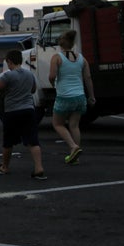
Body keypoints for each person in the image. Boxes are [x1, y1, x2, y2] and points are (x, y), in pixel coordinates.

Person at [0, 50, 46, 179]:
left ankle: (5, 167)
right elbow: (33, 89)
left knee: (8, 141)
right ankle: (39, 168)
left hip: (12, 111)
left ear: (9, 61)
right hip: (29, 110)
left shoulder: (8, 75)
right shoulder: (30, 74)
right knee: (33, 140)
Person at [48, 30, 96, 164]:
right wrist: (91, 96)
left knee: (57, 124)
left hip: (64, 96)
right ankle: (75, 157)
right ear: (72, 44)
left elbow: (52, 76)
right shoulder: (82, 58)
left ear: (61, 44)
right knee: (74, 126)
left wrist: (53, 84)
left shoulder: (57, 57)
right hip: (80, 96)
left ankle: (73, 147)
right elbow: (87, 77)